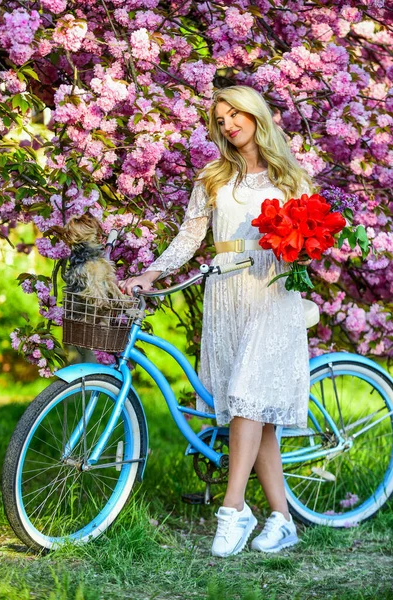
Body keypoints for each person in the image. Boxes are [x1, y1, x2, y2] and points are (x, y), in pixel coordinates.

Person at [120, 85, 313, 557]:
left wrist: (305, 249)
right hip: (226, 293)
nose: (229, 124)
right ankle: (283, 519)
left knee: (248, 396)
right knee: (255, 413)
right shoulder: (212, 177)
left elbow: (310, 240)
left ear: (256, 115)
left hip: (272, 293)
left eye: (236, 114)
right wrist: (153, 270)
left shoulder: (291, 178)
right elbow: (190, 237)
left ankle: (233, 509)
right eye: (221, 119)